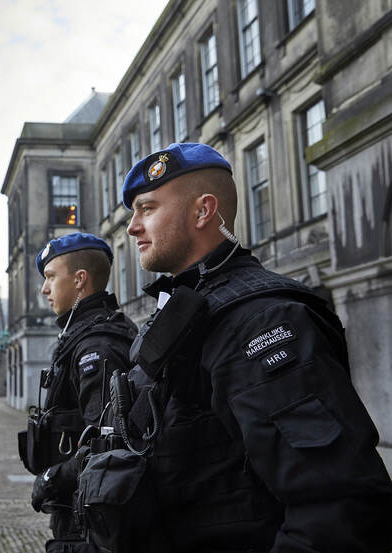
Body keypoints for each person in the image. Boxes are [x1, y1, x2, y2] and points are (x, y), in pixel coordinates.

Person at [78, 142, 392, 551]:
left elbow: (336, 506)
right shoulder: (183, 310)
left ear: (203, 211)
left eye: (148, 208)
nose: (133, 226)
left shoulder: (261, 319)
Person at [25, 233, 137, 553]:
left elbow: (108, 448)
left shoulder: (97, 346)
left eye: (50, 277)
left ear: (79, 280)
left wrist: (50, 479)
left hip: (90, 520)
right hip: (79, 508)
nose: (44, 289)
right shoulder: (81, 335)